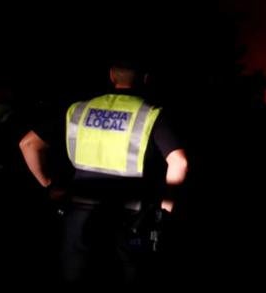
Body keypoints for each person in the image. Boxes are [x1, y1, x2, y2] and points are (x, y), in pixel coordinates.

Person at [19, 60, 188, 283]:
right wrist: (165, 211)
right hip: (129, 217)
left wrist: (48, 184)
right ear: (146, 78)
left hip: (79, 214)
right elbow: (179, 162)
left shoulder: (78, 110)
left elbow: (28, 144)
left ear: (112, 75)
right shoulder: (151, 114)